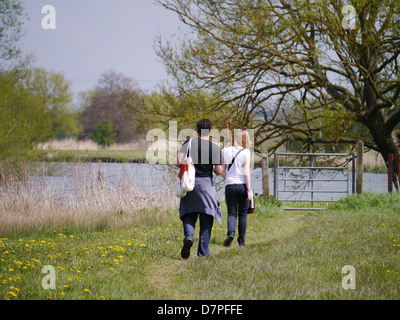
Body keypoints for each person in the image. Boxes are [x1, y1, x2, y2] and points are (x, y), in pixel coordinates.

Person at [177, 119, 223, 259]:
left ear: (196, 130)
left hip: (190, 184)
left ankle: (189, 237)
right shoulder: (214, 148)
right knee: (207, 218)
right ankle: (203, 253)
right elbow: (219, 171)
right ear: (210, 132)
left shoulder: (188, 143)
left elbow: (178, 162)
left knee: (188, 214)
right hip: (206, 185)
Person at [221, 129, 252, 247]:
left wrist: (227, 178)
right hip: (242, 185)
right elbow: (246, 172)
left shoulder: (224, 151)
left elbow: (222, 170)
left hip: (230, 185)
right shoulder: (246, 152)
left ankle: (231, 233)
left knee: (232, 212)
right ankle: (242, 241)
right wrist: (249, 190)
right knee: (243, 213)